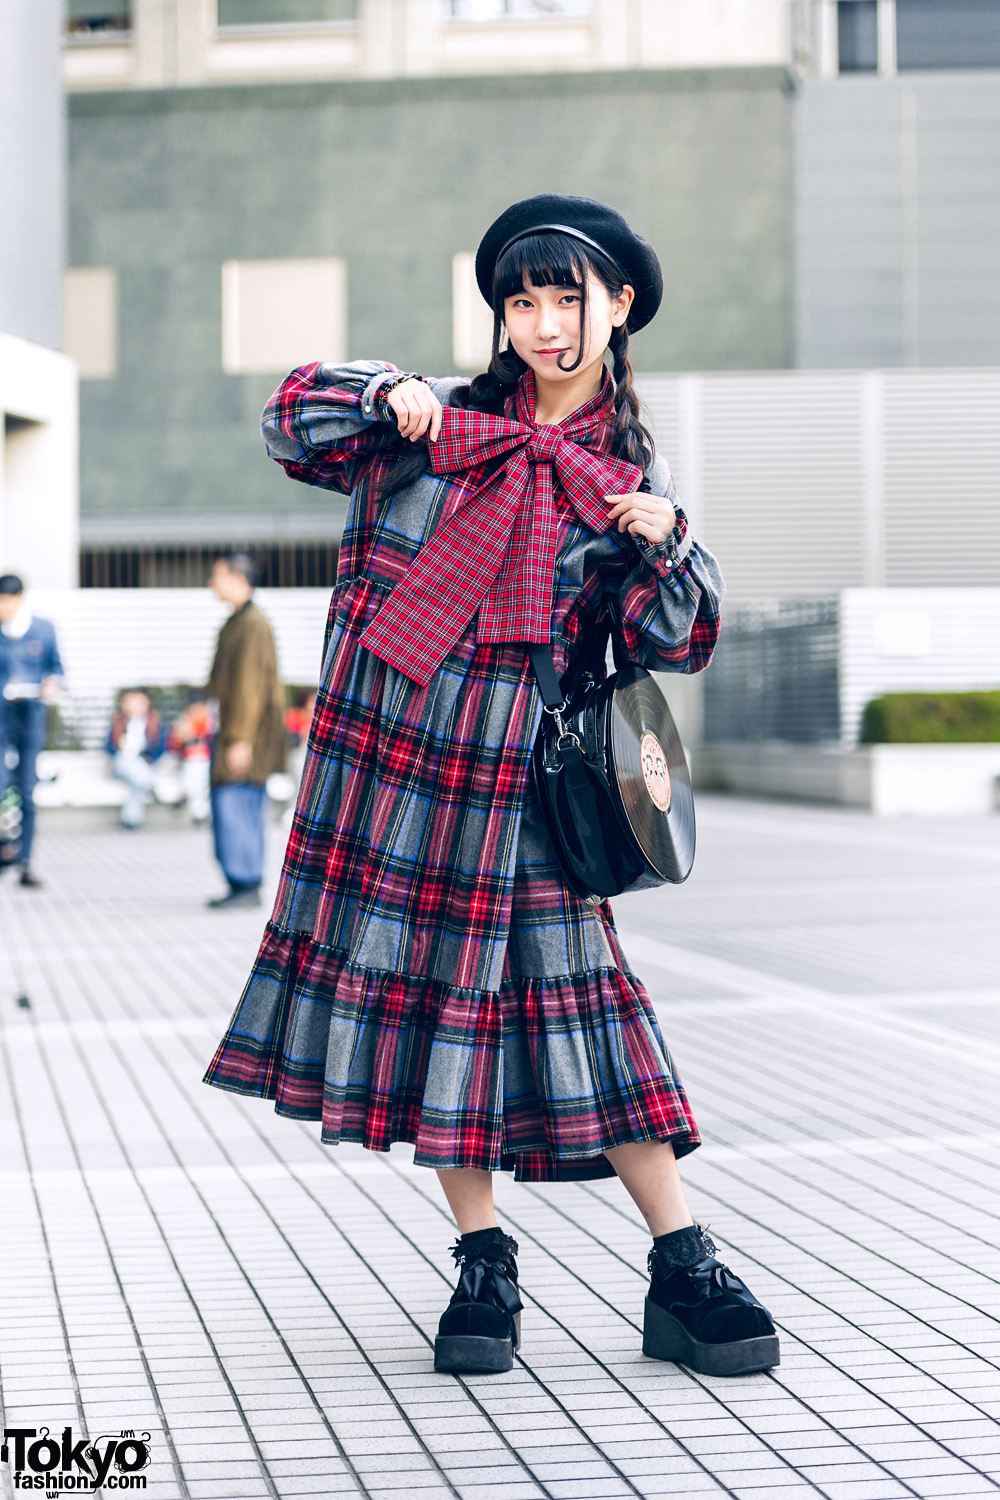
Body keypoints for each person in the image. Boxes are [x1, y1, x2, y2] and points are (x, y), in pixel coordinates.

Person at [204, 195, 778, 1378]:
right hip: (395, 769)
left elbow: (677, 640)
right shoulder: (433, 425)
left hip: (522, 785)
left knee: (588, 1009)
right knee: (434, 1010)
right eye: (522, 300)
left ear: (618, 308)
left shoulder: (626, 476)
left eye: (567, 297)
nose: (542, 323)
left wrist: (667, 539)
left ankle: (681, 1264)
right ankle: (483, 1263)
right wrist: (379, 390)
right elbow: (286, 420)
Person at [205, 553, 286, 909]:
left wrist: (240, 739)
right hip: (236, 734)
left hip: (244, 738)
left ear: (238, 579)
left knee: (238, 804)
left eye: (217, 576)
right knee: (233, 805)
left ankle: (246, 881)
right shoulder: (239, 621)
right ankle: (240, 881)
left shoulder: (252, 624)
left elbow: (249, 688)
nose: (211, 584)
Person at [0, 574, 63, 887]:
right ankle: (4, 850)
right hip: (0, 719)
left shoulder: (43, 629)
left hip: (30, 718)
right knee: (0, 787)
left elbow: (56, 668)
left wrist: (51, 684)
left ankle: (25, 861)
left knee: (26, 791)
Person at [107, 689, 166, 828]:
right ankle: (149, 784)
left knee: (135, 783)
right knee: (128, 763)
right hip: (122, 763)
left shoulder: (154, 722)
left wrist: (148, 759)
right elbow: (109, 748)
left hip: (142, 764)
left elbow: (160, 748)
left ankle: (131, 820)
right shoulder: (117, 722)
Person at [167, 690, 213, 825]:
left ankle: (188, 797)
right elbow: (175, 743)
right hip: (186, 759)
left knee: (199, 782)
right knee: (195, 778)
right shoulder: (183, 720)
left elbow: (208, 739)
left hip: (206, 759)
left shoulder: (208, 719)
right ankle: (196, 808)